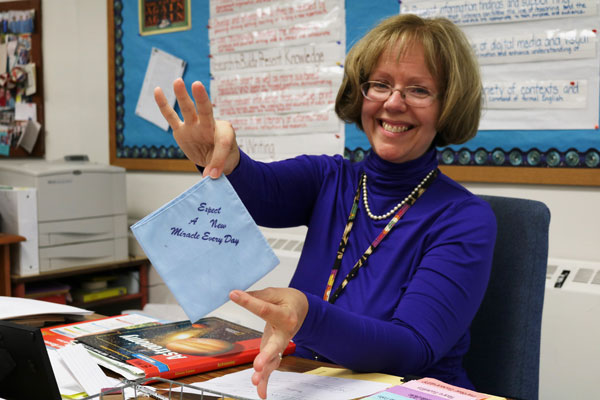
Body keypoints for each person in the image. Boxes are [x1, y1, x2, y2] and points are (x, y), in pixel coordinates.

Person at [154, 14, 497, 399]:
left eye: (418, 90)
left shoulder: (464, 218)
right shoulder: (328, 178)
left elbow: (411, 351)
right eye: (380, 85)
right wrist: (220, 159)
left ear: (448, 104)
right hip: (307, 382)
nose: (393, 102)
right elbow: (257, 191)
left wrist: (305, 314)